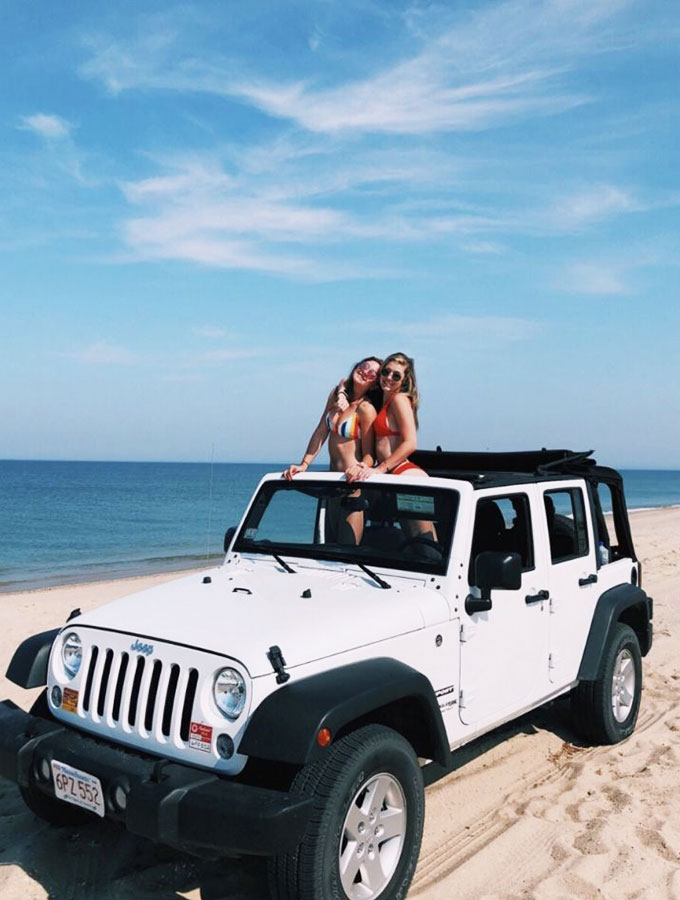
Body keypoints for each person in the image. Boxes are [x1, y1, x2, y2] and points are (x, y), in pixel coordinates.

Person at [283, 357, 382, 542]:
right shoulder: (336, 395)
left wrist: (360, 467)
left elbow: (370, 455)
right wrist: (304, 465)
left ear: (375, 384)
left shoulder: (366, 409)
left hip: (353, 486)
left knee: (346, 549)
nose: (365, 371)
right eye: (364, 366)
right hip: (332, 484)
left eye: (372, 373)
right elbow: (321, 431)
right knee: (328, 547)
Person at [347, 352, 426, 481]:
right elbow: (346, 383)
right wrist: (341, 393)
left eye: (396, 376)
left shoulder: (399, 399)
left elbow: (411, 443)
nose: (389, 377)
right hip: (387, 472)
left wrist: (380, 469)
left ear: (404, 381)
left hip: (401, 470)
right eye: (386, 372)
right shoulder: (382, 401)